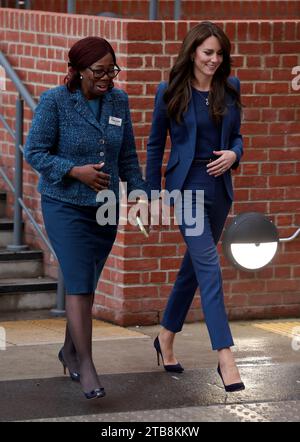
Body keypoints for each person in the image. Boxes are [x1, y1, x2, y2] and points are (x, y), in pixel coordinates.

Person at [25, 36, 149, 399]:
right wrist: (74, 171)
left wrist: (139, 194)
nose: (107, 77)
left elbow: (127, 156)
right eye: (99, 71)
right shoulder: (55, 101)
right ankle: (87, 365)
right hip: (64, 205)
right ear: (78, 71)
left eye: (112, 70)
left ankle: (68, 351)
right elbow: (35, 151)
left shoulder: (119, 101)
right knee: (78, 282)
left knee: (87, 284)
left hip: (105, 208)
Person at [146, 21, 245, 392]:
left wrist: (234, 153)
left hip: (219, 190)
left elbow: (237, 136)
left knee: (194, 268)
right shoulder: (169, 90)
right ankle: (225, 354)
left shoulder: (230, 87)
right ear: (192, 52)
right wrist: (153, 195)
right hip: (184, 190)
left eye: (219, 54)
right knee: (209, 265)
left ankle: (165, 336)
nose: (214, 60)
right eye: (208, 53)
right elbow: (156, 145)